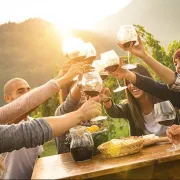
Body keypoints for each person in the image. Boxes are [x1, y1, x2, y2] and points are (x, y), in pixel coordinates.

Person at [103, 64, 180, 136]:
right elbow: (114, 111)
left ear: (144, 80)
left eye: (134, 81)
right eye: (128, 83)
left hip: (173, 145)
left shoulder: (163, 98)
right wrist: (107, 100)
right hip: (150, 150)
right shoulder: (130, 108)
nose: (132, 86)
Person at [2, 78, 43, 179]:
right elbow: (9, 126)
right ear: (8, 98)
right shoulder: (2, 124)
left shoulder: (34, 123)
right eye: (21, 91)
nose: (27, 94)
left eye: (28, 90)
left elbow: (37, 157)